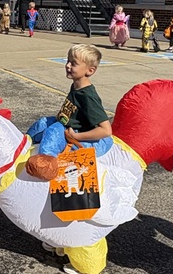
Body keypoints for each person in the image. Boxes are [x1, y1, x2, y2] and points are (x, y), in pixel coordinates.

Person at [25, 44, 112, 182]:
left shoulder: (88, 96)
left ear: (90, 70)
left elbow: (106, 131)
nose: (68, 65)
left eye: (74, 63)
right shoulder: (77, 85)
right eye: (68, 61)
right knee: (42, 123)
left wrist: (76, 136)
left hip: (74, 131)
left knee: (52, 132)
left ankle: (46, 165)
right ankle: (24, 145)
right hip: (65, 123)